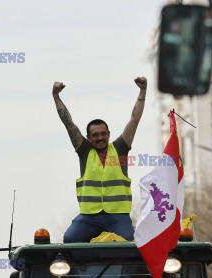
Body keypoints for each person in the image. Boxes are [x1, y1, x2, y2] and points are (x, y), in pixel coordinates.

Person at [52, 77, 147, 243]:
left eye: (103, 134)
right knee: (69, 239)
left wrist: (142, 90)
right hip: (89, 217)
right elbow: (69, 124)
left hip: (117, 217)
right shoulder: (84, 151)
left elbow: (135, 119)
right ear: (88, 137)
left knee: (129, 241)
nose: (100, 138)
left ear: (109, 134)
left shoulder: (120, 148)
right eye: (95, 135)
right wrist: (56, 97)